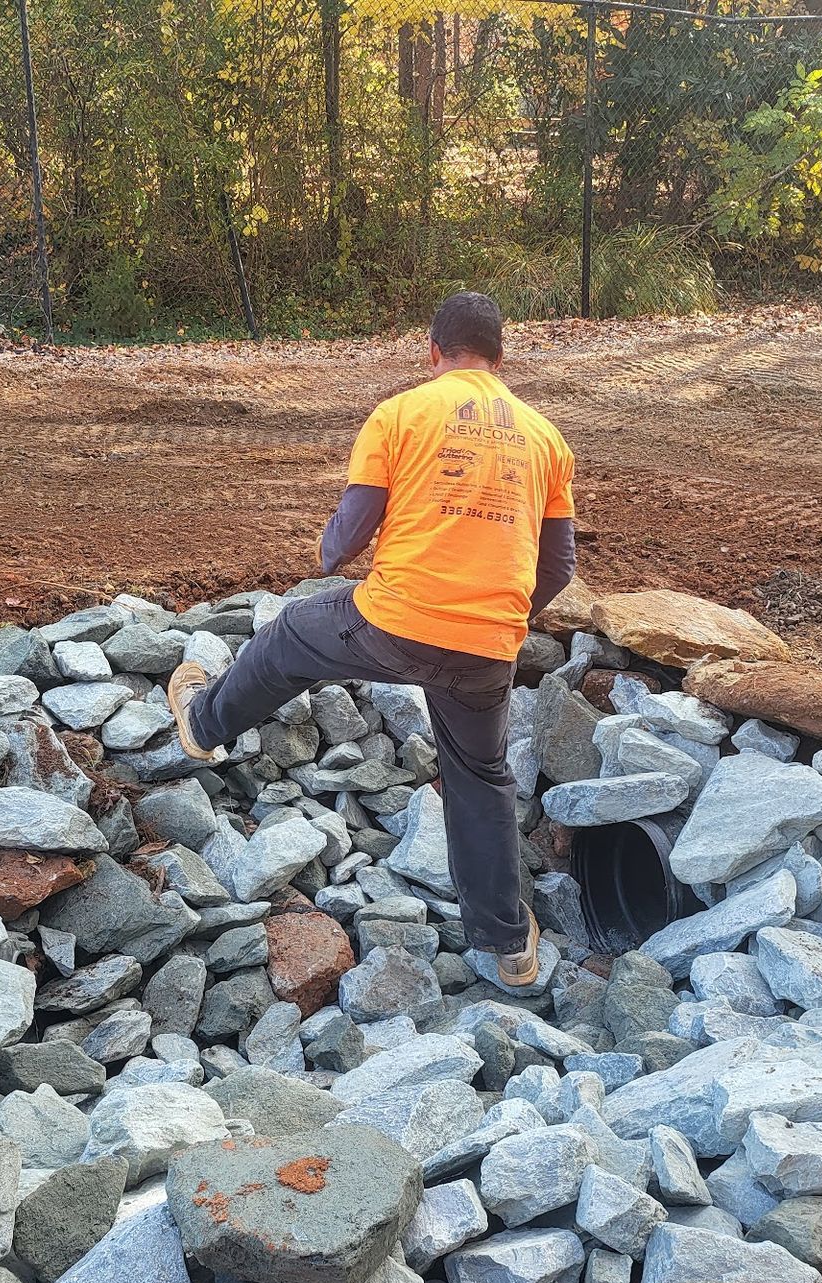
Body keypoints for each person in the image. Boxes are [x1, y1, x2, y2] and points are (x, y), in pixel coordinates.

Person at [168, 291, 576, 987]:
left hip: (395, 623)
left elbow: (346, 538)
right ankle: (509, 946)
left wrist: (331, 551)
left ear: (432, 350)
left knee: (294, 630)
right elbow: (559, 566)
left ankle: (204, 723)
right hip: (488, 648)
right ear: (502, 358)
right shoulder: (546, 438)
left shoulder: (401, 413)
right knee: (481, 776)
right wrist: (500, 616)